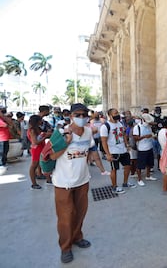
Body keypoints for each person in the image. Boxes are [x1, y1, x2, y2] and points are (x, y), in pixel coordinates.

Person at [49, 103, 94, 263]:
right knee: (65, 217)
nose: (81, 118)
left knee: (80, 212)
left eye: (84, 115)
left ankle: (77, 237)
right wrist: (66, 142)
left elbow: (89, 151)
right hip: (64, 182)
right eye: (78, 115)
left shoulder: (88, 132)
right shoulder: (61, 132)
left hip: (82, 180)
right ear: (71, 115)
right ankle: (65, 247)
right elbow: (52, 157)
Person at [100, 108, 136, 194]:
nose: (117, 114)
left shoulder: (120, 124)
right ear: (110, 115)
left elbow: (123, 135)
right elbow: (103, 142)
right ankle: (114, 187)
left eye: (118, 113)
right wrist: (108, 154)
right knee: (114, 169)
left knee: (127, 166)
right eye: (115, 113)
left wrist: (127, 145)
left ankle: (125, 183)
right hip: (113, 151)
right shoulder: (105, 126)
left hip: (123, 150)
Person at [133, 113, 157, 186]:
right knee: (140, 165)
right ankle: (139, 179)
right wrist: (145, 136)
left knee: (149, 163)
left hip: (149, 147)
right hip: (142, 149)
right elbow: (135, 138)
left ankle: (148, 176)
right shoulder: (137, 127)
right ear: (143, 120)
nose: (149, 123)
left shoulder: (148, 126)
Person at [27, 115, 48, 189]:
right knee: (34, 166)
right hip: (36, 149)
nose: (41, 121)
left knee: (37, 164)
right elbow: (35, 142)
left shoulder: (37, 129)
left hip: (40, 148)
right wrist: (45, 137)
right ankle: (34, 183)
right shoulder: (32, 130)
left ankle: (38, 177)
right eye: (40, 120)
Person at [158, 117, 167, 192]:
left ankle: (166, 185)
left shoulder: (160, 131)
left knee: (166, 171)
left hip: (163, 151)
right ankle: (165, 187)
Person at [0, 107, 11, 173]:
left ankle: (3, 163)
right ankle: (1, 164)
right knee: (1, 152)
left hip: (5, 138)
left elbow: (10, 123)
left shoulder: (2, 118)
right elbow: (6, 125)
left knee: (5, 151)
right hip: (1, 138)